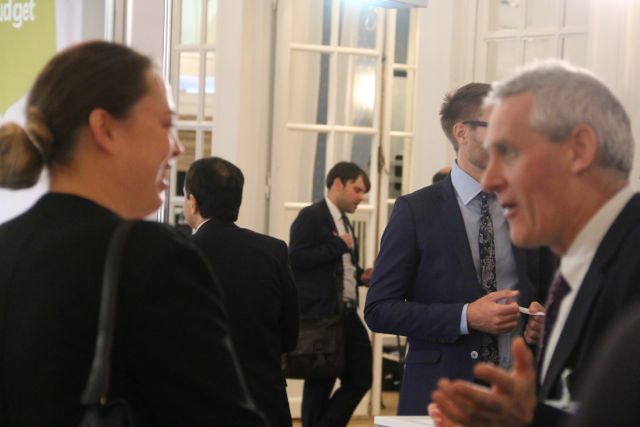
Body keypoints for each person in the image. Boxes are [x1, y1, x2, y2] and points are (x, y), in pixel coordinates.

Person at [0, 41, 265, 426]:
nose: (177, 148)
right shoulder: (153, 257)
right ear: (105, 129)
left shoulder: (7, 244)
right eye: (166, 124)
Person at [431, 60, 640, 426]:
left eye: (508, 152)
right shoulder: (584, 265)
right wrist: (528, 418)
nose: (490, 179)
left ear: (578, 149)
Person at [364, 83, 555, 414]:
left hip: (518, 395)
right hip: (441, 393)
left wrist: (543, 318)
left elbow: (552, 293)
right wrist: (466, 316)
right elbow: (379, 309)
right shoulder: (415, 211)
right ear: (462, 133)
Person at [183, 156, 299, 427]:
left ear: (193, 202)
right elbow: (290, 335)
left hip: (199, 404)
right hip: (265, 401)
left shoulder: (180, 253)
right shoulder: (273, 250)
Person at [289, 161, 373, 427]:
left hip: (345, 312)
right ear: (338, 184)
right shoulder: (311, 216)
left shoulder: (344, 221)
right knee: (320, 380)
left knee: (361, 376)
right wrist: (337, 245)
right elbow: (296, 258)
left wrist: (361, 275)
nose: (361, 197)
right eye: (357, 190)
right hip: (322, 315)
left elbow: (340, 267)